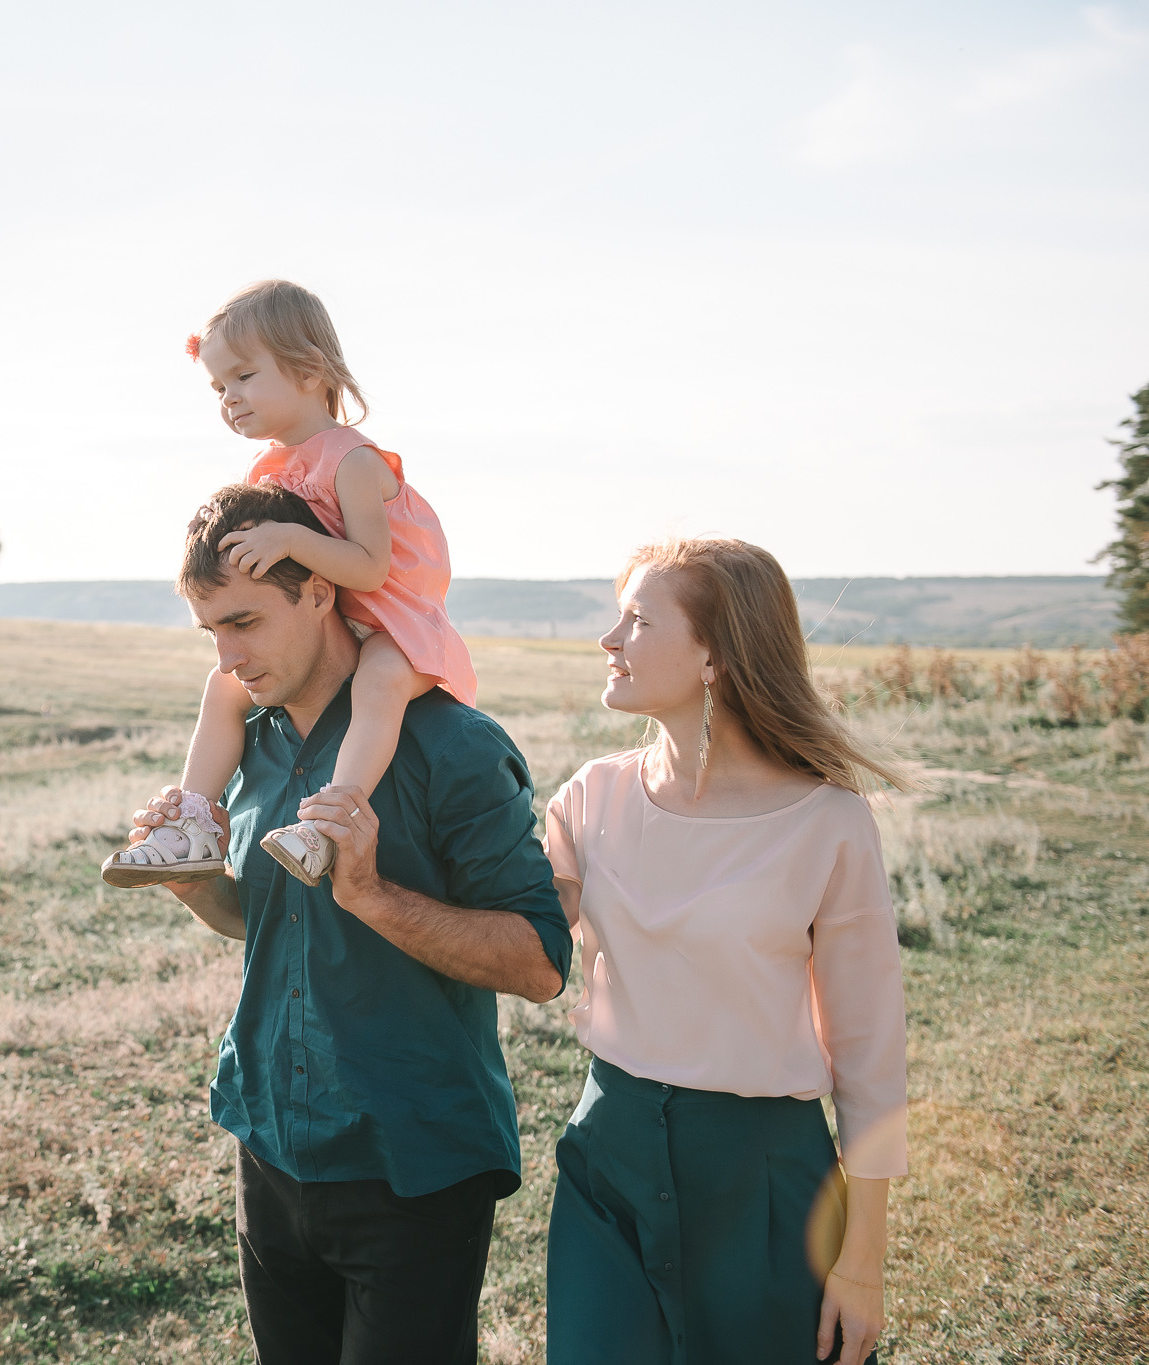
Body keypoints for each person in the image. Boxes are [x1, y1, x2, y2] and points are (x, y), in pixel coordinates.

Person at [122, 481, 571, 1364]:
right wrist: (195, 884)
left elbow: (540, 963)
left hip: (412, 1164)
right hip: (270, 1141)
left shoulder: (453, 746)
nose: (226, 655)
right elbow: (264, 923)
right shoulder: (250, 745)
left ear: (321, 589)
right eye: (210, 630)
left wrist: (370, 893)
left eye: (244, 621)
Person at [541, 538, 909, 1365]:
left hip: (767, 1182)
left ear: (715, 651)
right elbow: (518, 934)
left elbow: (871, 1053)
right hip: (608, 1162)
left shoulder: (829, 824)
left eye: (636, 620)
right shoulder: (589, 798)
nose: (609, 639)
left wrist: (863, 1260)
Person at [101, 279, 477, 889]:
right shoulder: (267, 467)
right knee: (223, 686)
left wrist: (291, 541)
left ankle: (328, 823)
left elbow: (370, 568)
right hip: (334, 618)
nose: (228, 398)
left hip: (396, 621)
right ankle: (192, 822)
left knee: (379, 684)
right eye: (219, 387)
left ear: (308, 370)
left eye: (244, 377)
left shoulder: (353, 460)